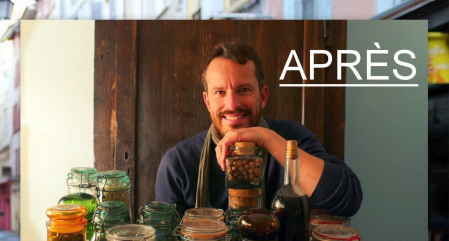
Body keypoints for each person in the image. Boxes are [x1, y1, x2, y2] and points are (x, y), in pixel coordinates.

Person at [155, 42, 362, 217]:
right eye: (220, 92)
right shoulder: (178, 162)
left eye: (244, 90)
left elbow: (347, 201)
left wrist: (268, 139)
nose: (232, 104)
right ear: (207, 102)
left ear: (263, 96)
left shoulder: (291, 138)